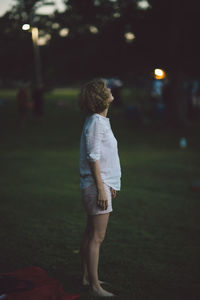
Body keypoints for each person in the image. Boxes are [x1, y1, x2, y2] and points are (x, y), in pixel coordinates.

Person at [79, 79, 121, 297]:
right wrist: (102, 188)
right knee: (97, 237)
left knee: (90, 234)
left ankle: (87, 278)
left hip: (99, 184)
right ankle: (95, 287)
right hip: (96, 187)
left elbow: (103, 158)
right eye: (106, 89)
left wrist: (109, 183)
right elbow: (93, 157)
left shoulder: (99, 121)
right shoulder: (96, 122)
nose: (110, 90)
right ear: (99, 97)